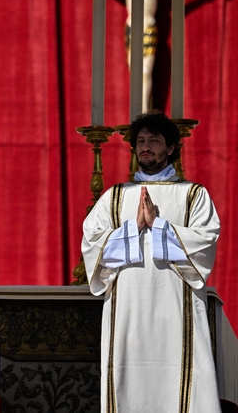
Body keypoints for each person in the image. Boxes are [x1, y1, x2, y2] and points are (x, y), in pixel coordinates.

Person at [81, 112, 220, 412]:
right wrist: (134, 229)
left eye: (154, 141)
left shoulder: (193, 195)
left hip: (175, 309)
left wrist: (159, 225)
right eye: (140, 141)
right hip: (128, 312)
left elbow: (205, 242)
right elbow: (92, 244)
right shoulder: (115, 197)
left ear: (171, 147)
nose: (145, 147)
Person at [58, 0, 210, 111]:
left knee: (145, 73)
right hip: (132, 32)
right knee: (136, 76)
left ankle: (143, 112)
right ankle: (143, 111)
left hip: (148, 31)